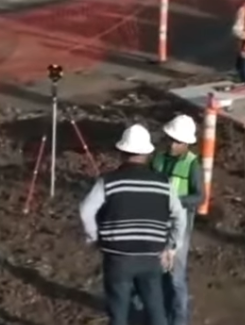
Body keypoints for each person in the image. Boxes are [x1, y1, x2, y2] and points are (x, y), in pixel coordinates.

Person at [80, 124, 187, 325]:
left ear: (121, 152)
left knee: (119, 311)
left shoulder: (108, 181)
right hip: (150, 257)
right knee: (156, 309)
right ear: (147, 154)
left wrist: (94, 238)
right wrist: (172, 247)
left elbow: (86, 210)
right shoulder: (163, 183)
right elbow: (179, 216)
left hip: (117, 258)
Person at [151, 115, 204, 325]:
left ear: (187, 143)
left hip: (179, 228)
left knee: (175, 276)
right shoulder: (159, 158)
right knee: (157, 273)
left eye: (178, 141)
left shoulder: (192, 164)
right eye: (171, 139)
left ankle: (179, 321)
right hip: (157, 224)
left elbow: (200, 197)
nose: (173, 144)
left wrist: (175, 201)